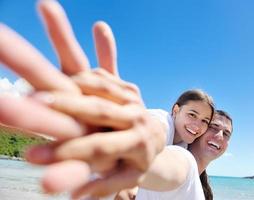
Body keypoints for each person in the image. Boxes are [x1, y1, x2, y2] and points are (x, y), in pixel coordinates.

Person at [0, 0, 215, 198]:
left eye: (205, 121)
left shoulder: (185, 148)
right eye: (192, 114)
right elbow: (152, 133)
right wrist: (136, 151)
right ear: (175, 110)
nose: (197, 125)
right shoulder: (161, 121)